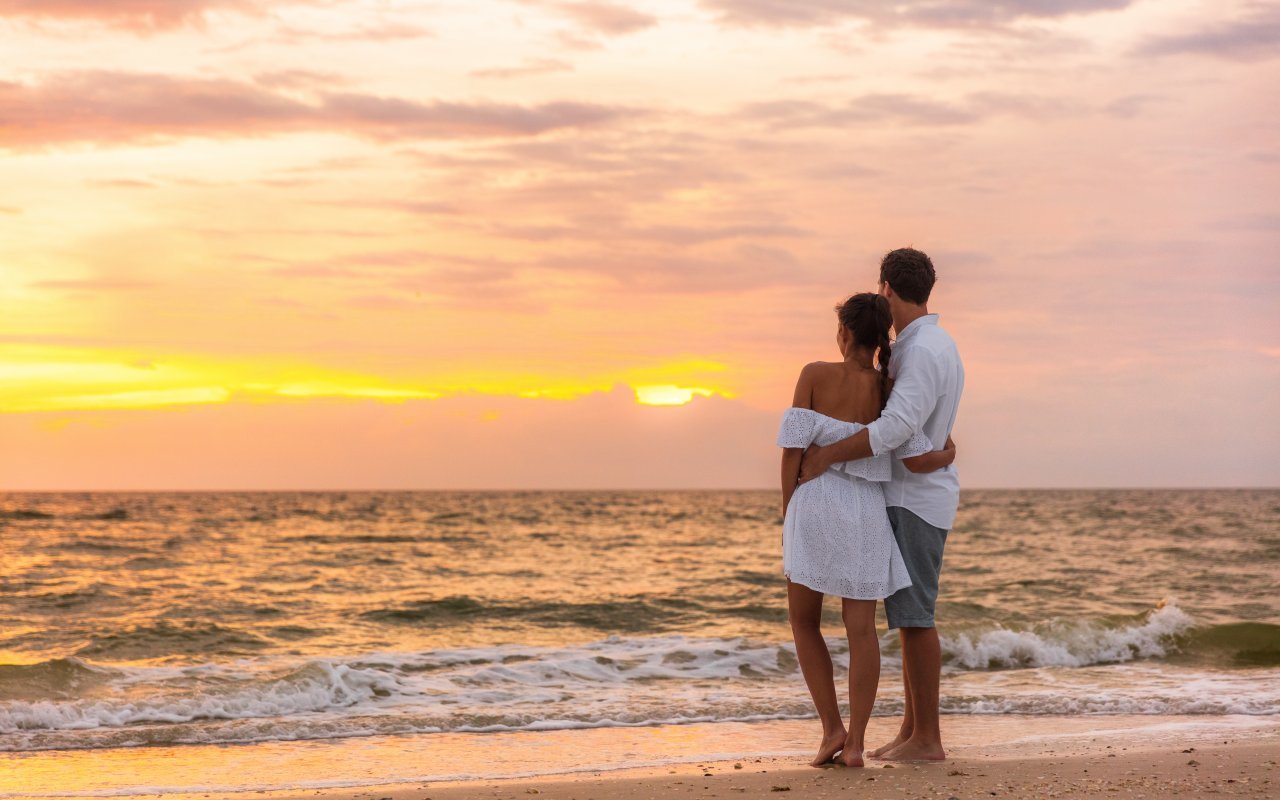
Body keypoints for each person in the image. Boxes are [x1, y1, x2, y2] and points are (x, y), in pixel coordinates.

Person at [797, 248, 964, 762]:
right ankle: (912, 731)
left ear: (888, 289)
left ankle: (928, 738)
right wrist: (942, 453)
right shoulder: (931, 343)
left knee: (915, 620)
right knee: (907, 618)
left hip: (913, 502)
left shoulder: (920, 351)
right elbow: (921, 427)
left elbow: (895, 428)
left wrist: (827, 456)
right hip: (914, 494)